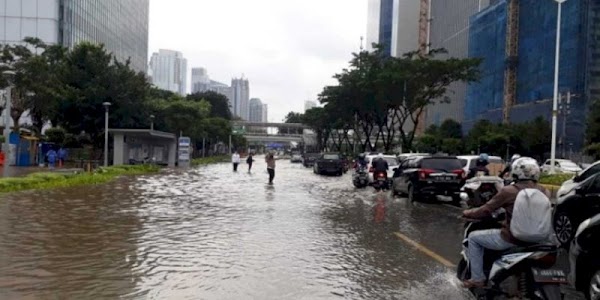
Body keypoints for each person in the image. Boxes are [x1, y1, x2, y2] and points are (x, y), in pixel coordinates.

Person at [461, 157, 549, 288]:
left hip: (511, 239)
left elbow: (486, 210)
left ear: (516, 172)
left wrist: (468, 213)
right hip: (539, 240)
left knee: (473, 238)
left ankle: (477, 278)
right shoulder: (544, 191)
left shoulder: (509, 191)